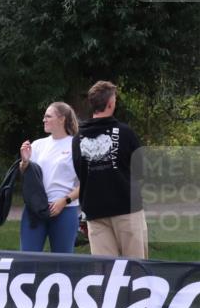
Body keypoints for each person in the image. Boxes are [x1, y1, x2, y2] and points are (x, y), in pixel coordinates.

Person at [72, 81, 147, 258]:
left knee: (106, 272)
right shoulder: (125, 133)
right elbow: (141, 170)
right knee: (136, 267)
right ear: (111, 103)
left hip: (95, 211)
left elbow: (80, 172)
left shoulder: (78, 138)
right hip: (126, 208)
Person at [18, 102, 81, 253]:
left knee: (62, 263)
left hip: (65, 211)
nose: (43, 120)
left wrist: (64, 201)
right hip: (35, 210)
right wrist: (25, 162)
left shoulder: (76, 145)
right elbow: (26, 175)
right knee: (27, 260)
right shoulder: (38, 144)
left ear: (62, 119)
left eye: (48, 116)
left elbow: (87, 183)